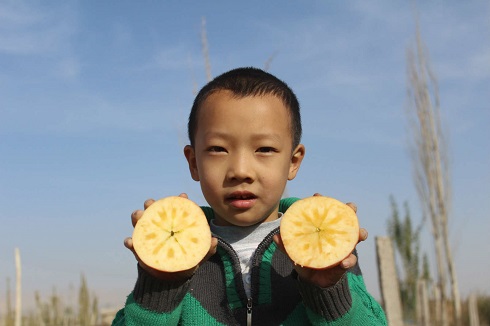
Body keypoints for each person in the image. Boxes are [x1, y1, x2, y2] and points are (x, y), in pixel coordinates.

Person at [112, 67, 387, 325]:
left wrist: (328, 291)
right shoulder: (175, 260)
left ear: (293, 161)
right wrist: (159, 287)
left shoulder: (329, 250)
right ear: (194, 162)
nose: (241, 171)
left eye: (265, 149)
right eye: (218, 149)